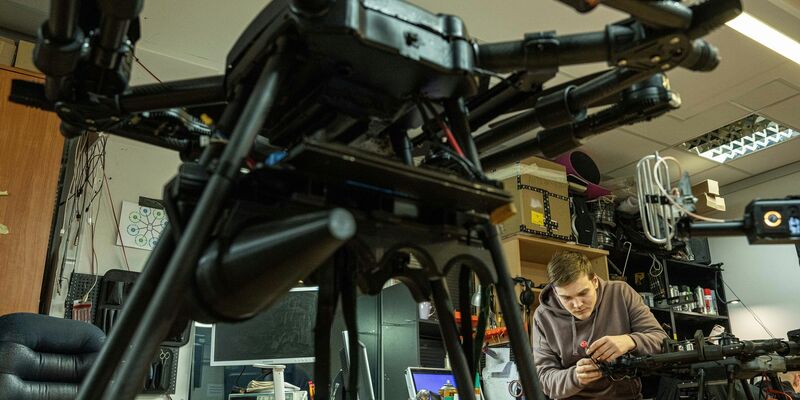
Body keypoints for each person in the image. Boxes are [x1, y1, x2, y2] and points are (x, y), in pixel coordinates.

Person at [532, 251, 668, 399]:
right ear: (555, 293)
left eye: (583, 293)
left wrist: (630, 341)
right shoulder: (543, 316)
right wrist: (575, 377)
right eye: (566, 298)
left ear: (595, 281)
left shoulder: (621, 293)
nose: (577, 304)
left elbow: (662, 341)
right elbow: (544, 379)